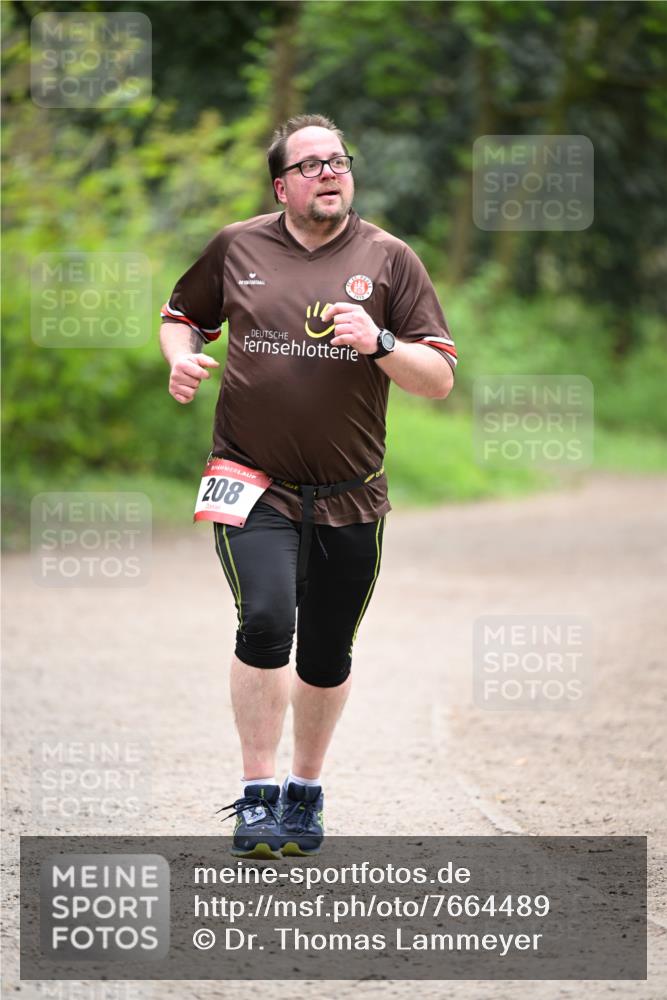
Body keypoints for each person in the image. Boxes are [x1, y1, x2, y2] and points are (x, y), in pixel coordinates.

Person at [159, 114, 457, 858]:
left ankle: (304, 791)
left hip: (351, 492)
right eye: (312, 163)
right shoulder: (238, 245)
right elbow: (180, 316)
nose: (330, 172)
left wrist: (381, 343)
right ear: (282, 185)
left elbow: (440, 379)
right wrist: (182, 357)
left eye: (339, 160)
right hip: (249, 480)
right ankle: (257, 795)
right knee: (264, 622)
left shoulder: (390, 260)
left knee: (325, 655)